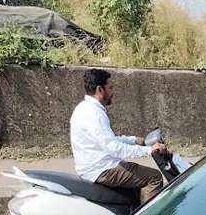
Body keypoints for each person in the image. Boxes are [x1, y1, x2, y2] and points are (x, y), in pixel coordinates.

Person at [70, 69, 167, 205]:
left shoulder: (84, 108)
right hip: (102, 169)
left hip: (94, 166)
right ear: (100, 89)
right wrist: (149, 150)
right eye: (110, 88)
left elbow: (107, 140)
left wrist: (133, 140)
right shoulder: (94, 114)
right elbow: (114, 148)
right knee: (154, 177)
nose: (112, 92)